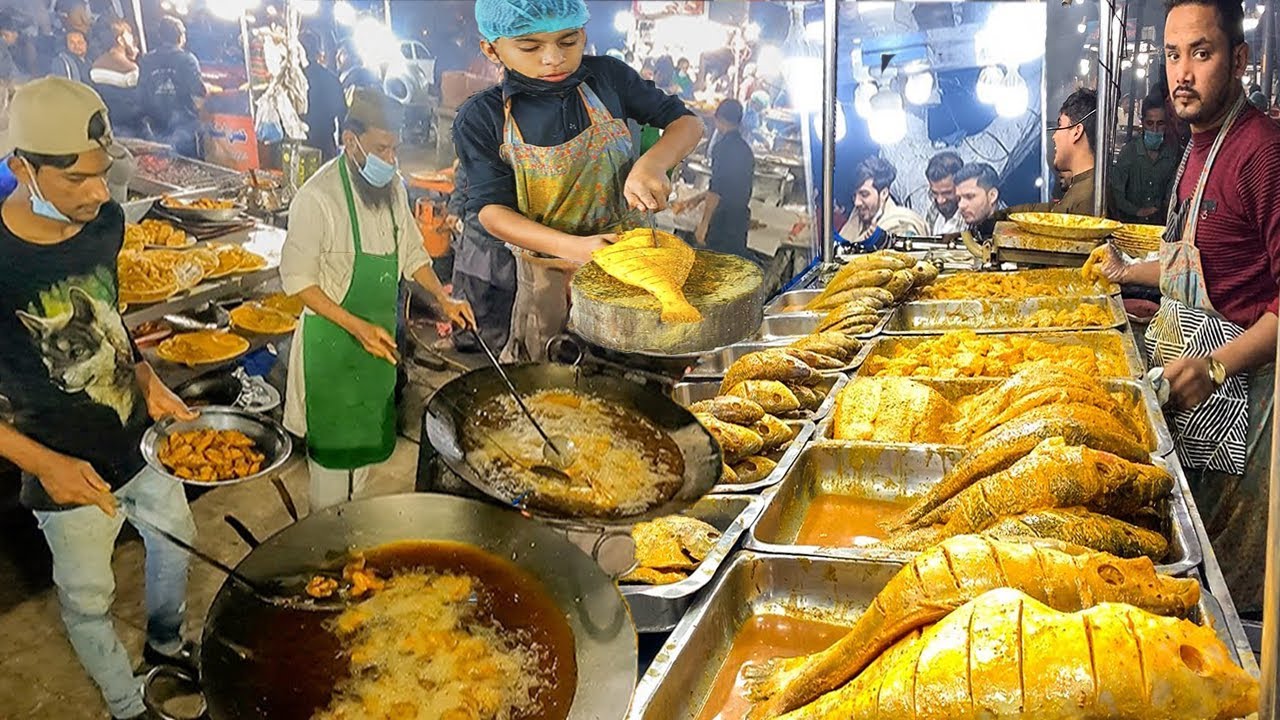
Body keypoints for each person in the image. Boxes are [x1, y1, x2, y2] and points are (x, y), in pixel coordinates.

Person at [0, 77, 197, 720]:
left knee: (177, 538)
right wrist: (45, 466)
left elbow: (111, 320)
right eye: (74, 180)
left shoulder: (106, 220)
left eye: (101, 174)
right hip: (63, 464)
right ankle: (124, 702)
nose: (96, 194)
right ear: (20, 167)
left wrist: (147, 380)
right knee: (88, 596)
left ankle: (166, 645)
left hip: (135, 438)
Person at [1090, 0, 1280, 613]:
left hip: (1243, 403)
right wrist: (1126, 272)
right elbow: (1194, 264)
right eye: (1174, 55)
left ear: (1240, 59)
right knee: (1191, 562)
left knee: (1228, 594)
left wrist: (1219, 365)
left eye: (1202, 53)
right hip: (1193, 395)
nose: (1183, 73)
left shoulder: (1263, 152)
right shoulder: (1196, 145)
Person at [453, 0, 703, 362]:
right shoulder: (483, 117)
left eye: (568, 42)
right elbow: (491, 212)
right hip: (548, 284)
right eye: (530, 46)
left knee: (636, 376)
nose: (553, 58)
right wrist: (575, 248)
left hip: (635, 271)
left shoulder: (607, 79)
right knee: (554, 386)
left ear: (583, 33)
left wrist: (653, 163)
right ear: (492, 49)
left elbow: (687, 123)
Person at [281, 88, 475, 511]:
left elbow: (411, 255)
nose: (390, 159)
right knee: (330, 491)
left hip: (375, 355)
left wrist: (443, 299)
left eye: (395, 149)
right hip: (329, 357)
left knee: (362, 478)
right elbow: (299, 283)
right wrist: (357, 327)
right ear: (351, 142)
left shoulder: (392, 190)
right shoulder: (317, 199)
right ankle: (328, 562)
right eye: (380, 148)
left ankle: (353, 553)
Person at [450, 160, 516, 353]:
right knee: (469, 289)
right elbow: (465, 172)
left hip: (509, 236)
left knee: (502, 294)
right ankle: (464, 340)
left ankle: (494, 348)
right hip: (477, 231)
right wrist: (455, 208)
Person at [678, 99, 754, 258]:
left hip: (722, 221)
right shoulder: (746, 150)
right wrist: (698, 198)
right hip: (739, 220)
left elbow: (717, 189)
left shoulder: (722, 148)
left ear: (720, 119)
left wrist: (704, 224)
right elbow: (730, 184)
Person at [1007, 88, 1098, 216]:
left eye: (1060, 126)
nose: (1054, 136)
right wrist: (1002, 213)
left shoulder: (1088, 199)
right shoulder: (1083, 187)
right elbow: (1051, 211)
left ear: (1077, 132)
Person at [137, 16, 207, 157]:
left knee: (161, 170)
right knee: (188, 171)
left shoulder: (146, 60)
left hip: (155, 128)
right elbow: (199, 94)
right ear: (181, 37)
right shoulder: (187, 59)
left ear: (160, 36)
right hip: (184, 130)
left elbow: (140, 95)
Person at [1109, 95, 1180, 224]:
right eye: (1150, 123)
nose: (1155, 129)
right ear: (1142, 122)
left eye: (1160, 124)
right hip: (1130, 226)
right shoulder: (1129, 153)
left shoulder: (1173, 155)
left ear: (1166, 124)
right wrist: (1137, 211)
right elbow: (1115, 194)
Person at [838, 156, 927, 241]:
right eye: (854, 196)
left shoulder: (902, 224)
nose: (857, 202)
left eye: (864, 194)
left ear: (884, 193)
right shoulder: (854, 220)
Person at [90, 18, 142, 138]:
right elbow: (138, 104)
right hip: (131, 128)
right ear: (120, 40)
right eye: (129, 35)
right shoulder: (129, 69)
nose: (133, 39)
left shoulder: (95, 65)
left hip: (107, 127)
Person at [299, 30, 345, 161]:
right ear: (317, 52)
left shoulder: (291, 80)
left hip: (297, 144)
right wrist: (343, 139)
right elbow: (342, 113)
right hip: (324, 144)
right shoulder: (330, 78)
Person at [923, 150, 966, 235]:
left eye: (947, 193)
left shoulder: (970, 219)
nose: (940, 200)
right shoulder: (933, 211)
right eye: (934, 193)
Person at [954, 161, 1002, 234]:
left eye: (969, 197)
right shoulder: (962, 226)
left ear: (992, 196)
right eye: (958, 199)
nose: (961, 205)